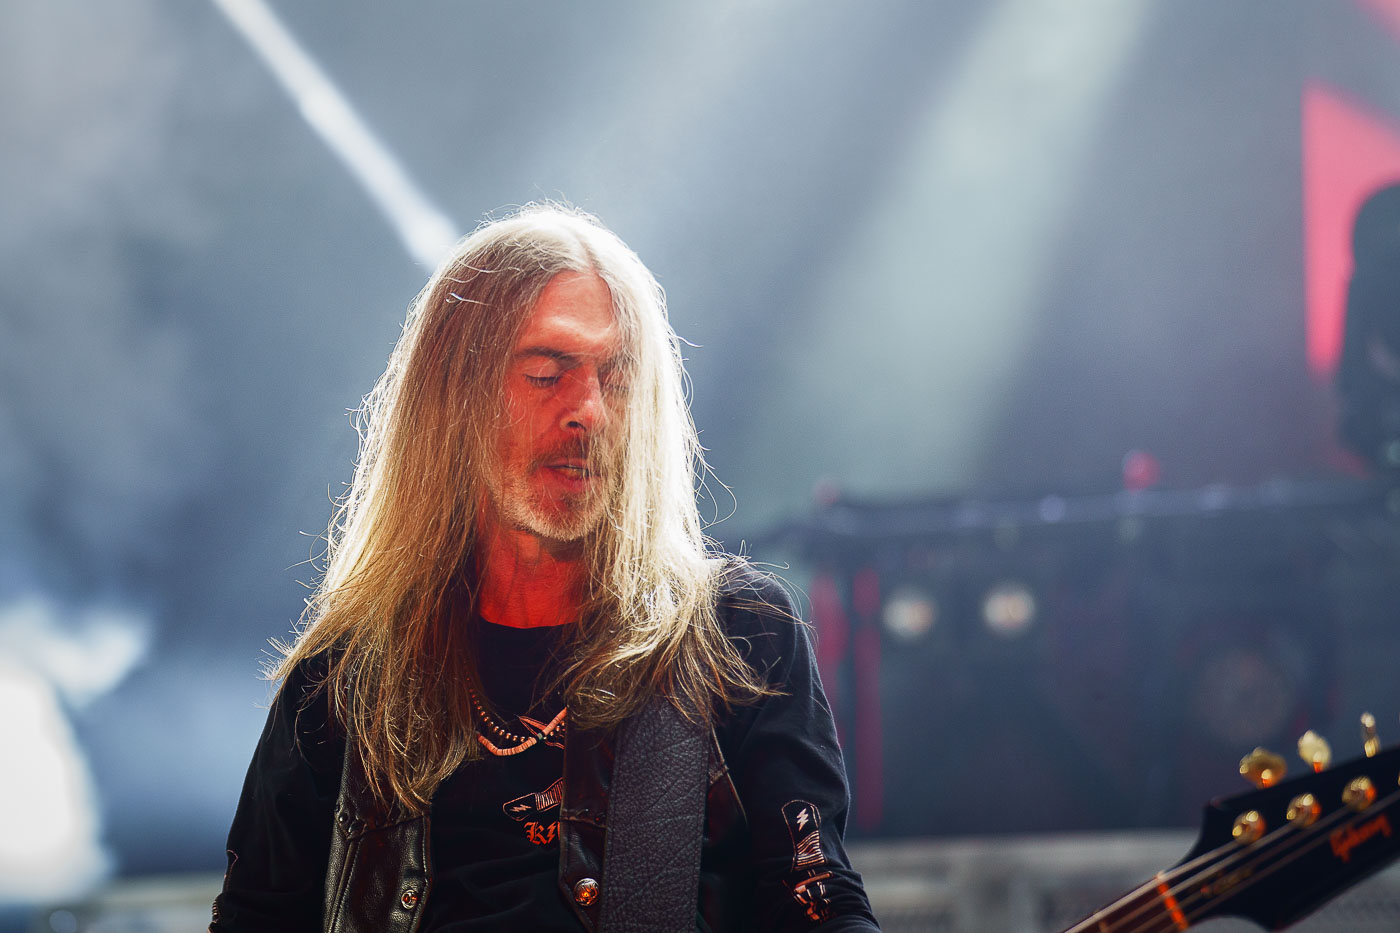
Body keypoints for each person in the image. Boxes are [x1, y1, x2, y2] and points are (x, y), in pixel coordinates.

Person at [210, 204, 880, 932]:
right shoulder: (343, 678)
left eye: (616, 380)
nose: (587, 411)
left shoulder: (738, 635)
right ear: (453, 400)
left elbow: (815, 896)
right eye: (545, 374)